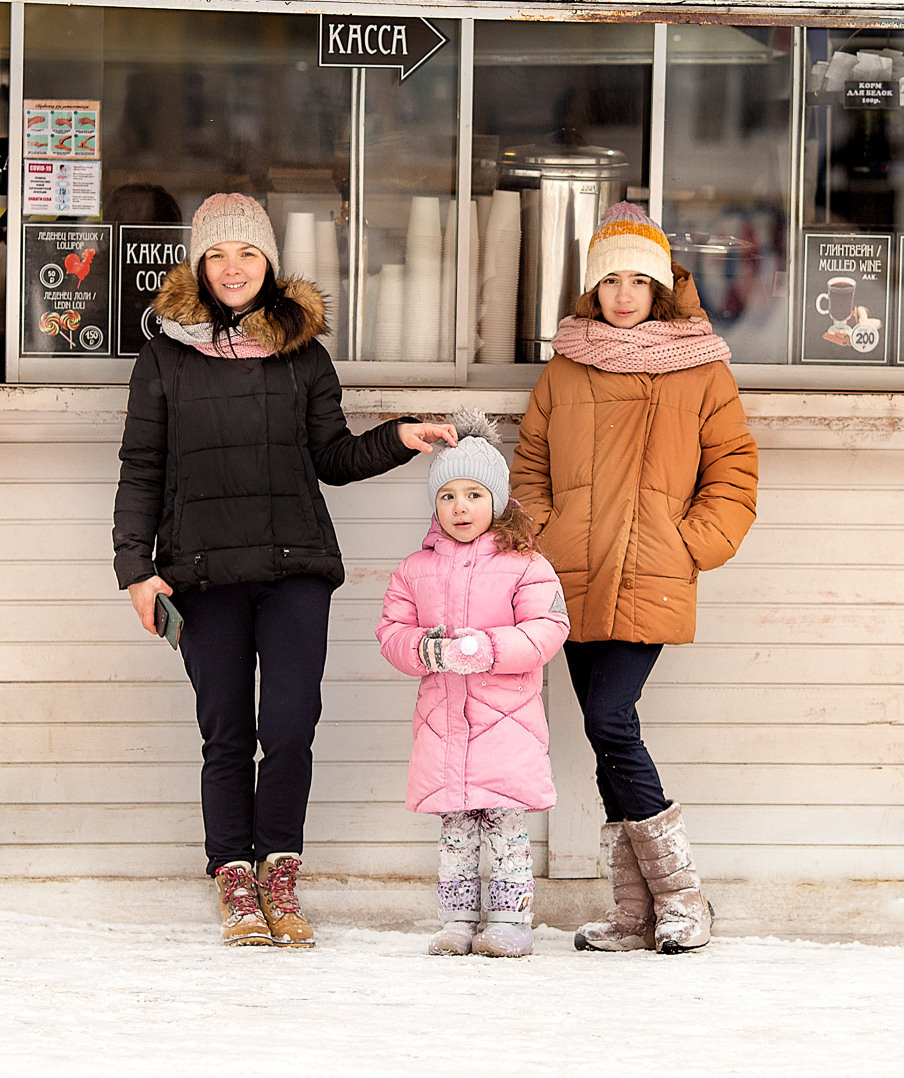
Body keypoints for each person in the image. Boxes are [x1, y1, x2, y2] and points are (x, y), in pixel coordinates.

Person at [113, 193, 458, 949]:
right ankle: (234, 876)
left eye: (247, 254)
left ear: (269, 263)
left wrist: (399, 436)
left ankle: (280, 873)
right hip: (200, 573)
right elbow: (142, 468)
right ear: (198, 266)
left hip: (293, 565)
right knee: (227, 733)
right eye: (217, 255)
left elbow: (333, 458)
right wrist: (136, 569)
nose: (233, 269)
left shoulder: (304, 354)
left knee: (291, 727)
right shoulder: (164, 356)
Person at [510, 203, 759, 954]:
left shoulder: (701, 367)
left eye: (638, 280)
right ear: (593, 289)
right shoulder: (567, 365)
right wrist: (542, 535)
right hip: (573, 572)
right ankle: (634, 915)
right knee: (601, 730)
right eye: (610, 280)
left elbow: (734, 472)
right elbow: (531, 467)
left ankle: (685, 902)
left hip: (650, 568)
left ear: (662, 287)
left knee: (610, 721)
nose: (623, 294)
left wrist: (689, 543)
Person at [376, 411, 570, 958]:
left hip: (505, 724)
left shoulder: (526, 564)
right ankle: (457, 919)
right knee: (456, 830)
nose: (461, 508)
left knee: (506, 829)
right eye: (448, 497)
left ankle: (511, 921)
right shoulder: (415, 569)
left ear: (499, 501)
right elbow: (392, 631)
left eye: (474, 495)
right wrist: (426, 649)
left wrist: (484, 649)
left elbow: (548, 628)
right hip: (444, 724)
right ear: (436, 506)